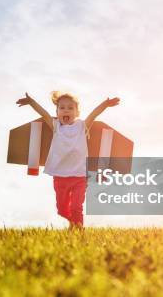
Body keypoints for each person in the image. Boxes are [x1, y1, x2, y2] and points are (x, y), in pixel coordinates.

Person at [16, 91, 120, 230]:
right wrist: (31, 102)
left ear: (77, 113)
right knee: (62, 210)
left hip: (80, 176)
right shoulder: (56, 127)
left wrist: (105, 104)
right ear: (57, 112)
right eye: (62, 107)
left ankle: (78, 231)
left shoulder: (82, 126)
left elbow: (94, 114)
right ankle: (72, 226)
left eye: (70, 108)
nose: (66, 110)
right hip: (60, 176)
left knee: (77, 207)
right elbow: (44, 114)